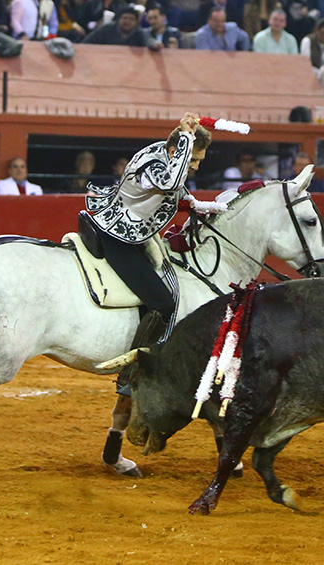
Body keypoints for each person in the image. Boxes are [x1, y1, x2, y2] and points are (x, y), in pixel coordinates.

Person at [87, 113, 215, 477]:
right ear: (177, 148)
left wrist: (206, 207)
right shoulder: (159, 161)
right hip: (119, 238)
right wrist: (188, 138)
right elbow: (171, 179)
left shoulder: (166, 156)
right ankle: (133, 368)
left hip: (136, 233)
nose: (192, 167)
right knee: (163, 301)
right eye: (192, 159)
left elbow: (180, 188)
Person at [83, 5, 159, 47]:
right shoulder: (107, 29)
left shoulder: (140, 32)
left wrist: (154, 45)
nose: (127, 21)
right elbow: (87, 42)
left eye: (131, 19)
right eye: (124, 18)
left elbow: (148, 40)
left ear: (136, 22)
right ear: (118, 19)